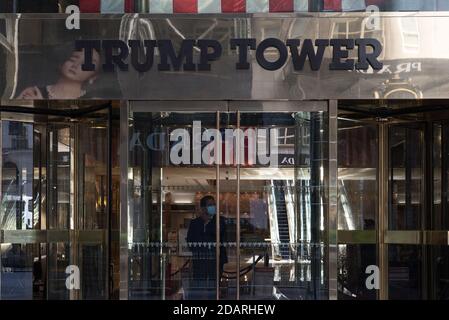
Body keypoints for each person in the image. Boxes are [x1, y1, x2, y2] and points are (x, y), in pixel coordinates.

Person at [17, 48, 100, 100]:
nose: (76, 65)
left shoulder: (93, 101)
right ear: (62, 62)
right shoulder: (33, 92)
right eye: (73, 59)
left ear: (94, 77)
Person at [186, 195, 227, 297]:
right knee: (198, 286)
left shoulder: (220, 221)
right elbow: (190, 240)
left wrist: (207, 223)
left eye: (214, 204)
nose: (213, 207)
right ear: (203, 208)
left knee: (214, 287)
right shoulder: (195, 223)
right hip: (200, 259)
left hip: (216, 260)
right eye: (210, 205)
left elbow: (219, 234)